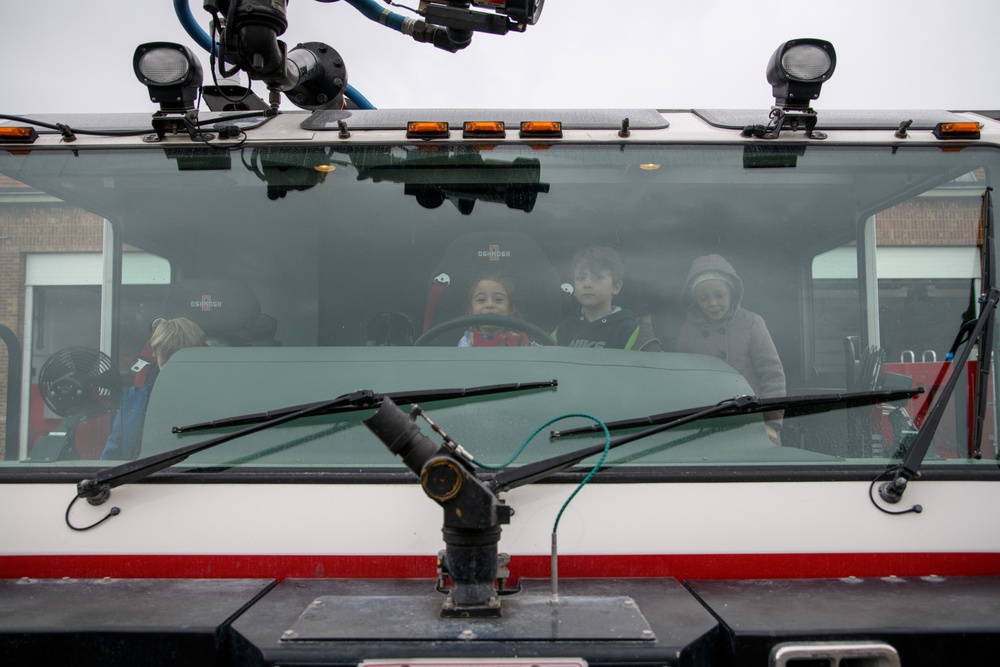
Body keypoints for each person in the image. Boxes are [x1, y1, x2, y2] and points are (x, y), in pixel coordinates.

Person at [676, 254, 785, 443]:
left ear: (732, 293)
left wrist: (771, 423)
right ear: (695, 299)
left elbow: (773, 376)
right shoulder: (687, 331)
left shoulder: (751, 323)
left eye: (720, 295)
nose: (713, 303)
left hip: (753, 425)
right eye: (704, 297)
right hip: (703, 426)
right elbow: (680, 381)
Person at [101, 317, 206, 460]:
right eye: (167, 364)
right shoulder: (132, 402)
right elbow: (112, 457)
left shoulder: (215, 400)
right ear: (155, 357)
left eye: (181, 364)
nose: (174, 372)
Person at [553, 246, 661, 351]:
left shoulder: (631, 331)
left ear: (616, 287)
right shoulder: (562, 331)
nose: (587, 284)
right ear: (574, 288)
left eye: (597, 277)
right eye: (581, 278)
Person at [458, 276, 533, 347]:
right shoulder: (466, 342)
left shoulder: (522, 341)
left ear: (511, 310)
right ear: (471, 310)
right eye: (481, 300)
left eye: (498, 300)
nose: (489, 305)